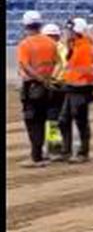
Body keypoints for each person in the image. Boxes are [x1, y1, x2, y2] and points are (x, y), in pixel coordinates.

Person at [15, 10, 58, 168]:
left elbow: (25, 65)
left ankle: (36, 157)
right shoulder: (51, 43)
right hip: (49, 86)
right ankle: (53, 151)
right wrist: (47, 78)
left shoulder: (25, 44)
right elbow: (55, 62)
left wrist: (38, 78)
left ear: (26, 25)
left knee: (33, 122)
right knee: (47, 119)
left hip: (33, 86)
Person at [60, 16, 93, 162]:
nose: (66, 33)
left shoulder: (84, 47)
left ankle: (83, 152)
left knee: (80, 120)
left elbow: (87, 70)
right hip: (71, 87)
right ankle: (66, 150)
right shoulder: (75, 46)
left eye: (69, 30)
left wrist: (88, 88)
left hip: (80, 88)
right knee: (64, 120)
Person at [42, 22, 68, 159]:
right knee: (56, 118)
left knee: (50, 118)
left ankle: (53, 148)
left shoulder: (45, 49)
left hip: (50, 86)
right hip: (60, 86)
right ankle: (58, 147)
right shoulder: (62, 48)